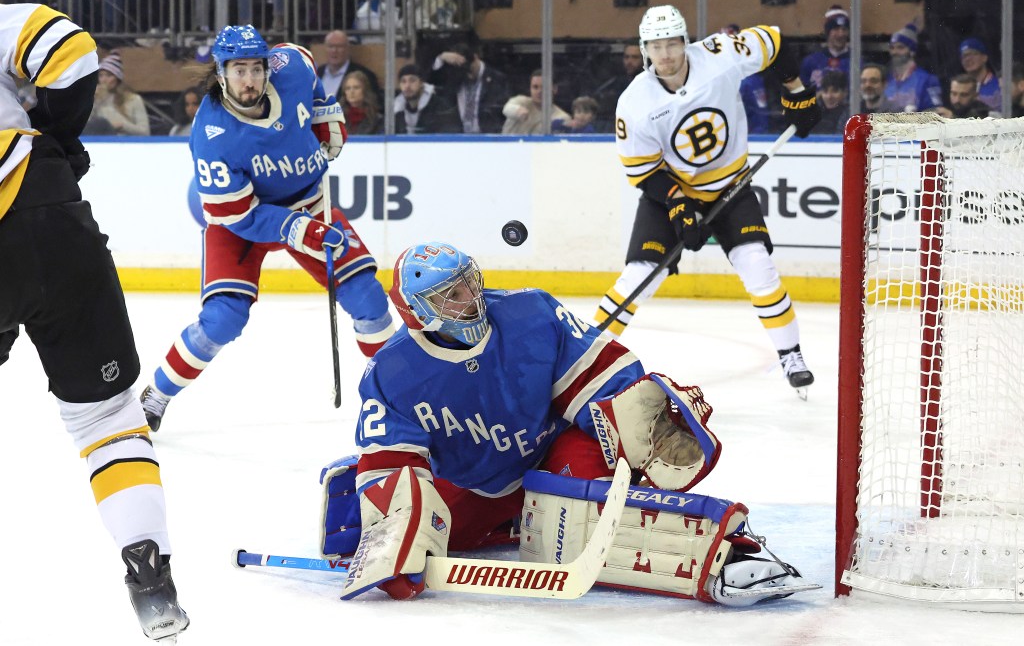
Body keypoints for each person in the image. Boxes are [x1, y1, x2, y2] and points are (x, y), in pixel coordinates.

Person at [318, 241, 812, 604]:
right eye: (453, 295)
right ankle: (510, 516)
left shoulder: (531, 313)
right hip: (473, 482)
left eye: (470, 282)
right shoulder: (393, 371)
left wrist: (641, 420)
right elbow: (393, 462)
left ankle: (724, 552)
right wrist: (395, 527)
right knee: (405, 537)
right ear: (420, 313)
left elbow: (606, 386)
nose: (471, 298)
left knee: (585, 512)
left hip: (551, 455)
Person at [0, 3, 188, 642]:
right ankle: (149, 575)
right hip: (46, 207)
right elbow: (72, 49)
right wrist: (54, 136)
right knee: (106, 414)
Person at [138, 25, 395, 430]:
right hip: (241, 221)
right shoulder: (211, 134)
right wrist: (298, 228)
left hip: (309, 201)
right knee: (224, 318)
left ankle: (398, 394)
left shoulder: (290, 65)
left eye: (256, 69)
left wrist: (326, 111)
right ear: (221, 73)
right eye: (239, 71)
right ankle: (158, 392)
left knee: (368, 298)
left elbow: (309, 77)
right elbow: (238, 215)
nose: (250, 80)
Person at [592, 5, 820, 396]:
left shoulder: (720, 56)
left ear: (685, 41)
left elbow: (775, 42)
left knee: (757, 265)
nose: (665, 54)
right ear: (644, 49)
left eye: (672, 43)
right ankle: (586, 357)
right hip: (670, 193)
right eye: (655, 46)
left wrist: (796, 90)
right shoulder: (635, 102)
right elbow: (643, 171)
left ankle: (791, 355)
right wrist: (679, 204)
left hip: (730, 186)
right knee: (642, 275)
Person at [429, 41, 510, 134]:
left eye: (469, 69)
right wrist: (441, 58)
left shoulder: (497, 79)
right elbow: (433, 83)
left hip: (487, 136)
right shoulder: (455, 75)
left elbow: (502, 110)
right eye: (464, 71)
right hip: (459, 136)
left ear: (475, 58)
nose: (468, 75)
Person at [84, 50, 151, 135]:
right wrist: (92, 101)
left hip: (127, 143)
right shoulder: (96, 100)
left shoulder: (134, 99)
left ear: (117, 78)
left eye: (108, 75)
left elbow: (145, 132)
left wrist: (122, 125)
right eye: (101, 75)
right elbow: (86, 127)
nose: (103, 80)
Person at [721, 24, 770, 134]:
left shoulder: (751, 80)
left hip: (748, 140)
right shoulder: (717, 77)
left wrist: (756, 139)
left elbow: (760, 117)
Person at [884, 23, 942, 113]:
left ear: (912, 51)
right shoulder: (888, 79)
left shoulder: (927, 80)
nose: (894, 52)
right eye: (892, 47)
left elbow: (936, 111)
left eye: (900, 47)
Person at [317, 30, 382, 103]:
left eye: (339, 46)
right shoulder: (316, 73)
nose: (334, 51)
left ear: (347, 49)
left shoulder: (365, 75)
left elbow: (373, 105)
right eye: (330, 46)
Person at [394, 64, 462, 135]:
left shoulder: (439, 107)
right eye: (403, 81)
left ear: (421, 83)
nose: (407, 86)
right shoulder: (397, 109)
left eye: (412, 80)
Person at [592, 43, 644, 132]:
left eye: (635, 57)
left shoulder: (651, 83)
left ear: (644, 59)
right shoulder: (614, 83)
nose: (629, 61)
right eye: (626, 57)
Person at [501, 69, 570, 135]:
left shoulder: (562, 117)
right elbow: (506, 109)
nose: (539, 91)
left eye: (544, 87)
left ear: (554, 89)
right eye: (535, 87)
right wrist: (518, 111)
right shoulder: (520, 101)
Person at [799, 5, 851, 90]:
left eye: (844, 29)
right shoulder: (810, 61)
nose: (841, 34)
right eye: (836, 29)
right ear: (827, 32)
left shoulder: (857, 61)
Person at [958, 38, 1001, 114]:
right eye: (964, 56)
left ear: (984, 57)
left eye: (972, 54)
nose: (967, 59)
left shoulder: (999, 85)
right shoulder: (958, 88)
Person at [340, 70, 382, 135]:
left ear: (365, 90)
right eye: (348, 88)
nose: (352, 91)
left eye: (356, 87)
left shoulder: (377, 120)